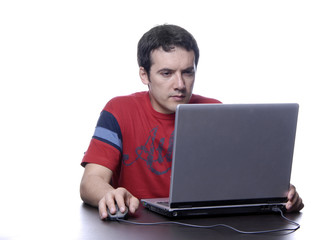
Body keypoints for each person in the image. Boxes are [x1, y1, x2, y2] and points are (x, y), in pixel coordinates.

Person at [80, 24, 304, 220]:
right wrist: (109, 194)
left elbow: (245, 180)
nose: (180, 84)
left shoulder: (214, 111)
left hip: (202, 227)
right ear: (144, 75)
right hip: (137, 225)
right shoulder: (118, 110)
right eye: (166, 73)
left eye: (187, 72)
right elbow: (91, 180)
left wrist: (281, 195)